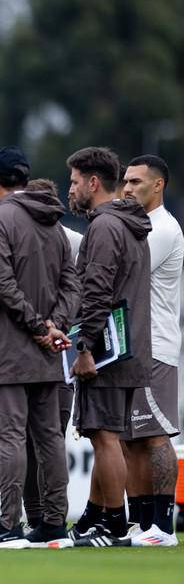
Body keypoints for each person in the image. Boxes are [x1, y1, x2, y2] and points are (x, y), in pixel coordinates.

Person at [0, 145, 79, 549]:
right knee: (50, 437)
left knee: (10, 437)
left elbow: (0, 281)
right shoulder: (54, 220)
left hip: (9, 348)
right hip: (49, 349)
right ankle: (53, 523)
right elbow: (72, 283)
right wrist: (55, 327)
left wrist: (35, 326)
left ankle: (10, 524)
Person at [66, 147, 152, 548]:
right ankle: (97, 518)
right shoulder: (132, 223)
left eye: (74, 182)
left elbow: (97, 291)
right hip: (129, 346)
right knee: (107, 437)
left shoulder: (104, 226)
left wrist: (84, 347)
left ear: (93, 183)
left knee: (105, 437)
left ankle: (115, 525)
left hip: (106, 351)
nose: (72, 189)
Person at [120, 155, 182, 546]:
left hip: (156, 347)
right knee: (130, 439)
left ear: (157, 186)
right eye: (125, 181)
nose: (127, 188)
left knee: (156, 436)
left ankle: (163, 526)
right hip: (133, 348)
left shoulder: (162, 229)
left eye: (136, 182)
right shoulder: (141, 225)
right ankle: (142, 524)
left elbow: (121, 272)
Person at [19, 178, 81, 533]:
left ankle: (45, 517)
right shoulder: (63, 237)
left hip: (50, 355)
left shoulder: (69, 239)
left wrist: (48, 326)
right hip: (45, 353)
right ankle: (42, 518)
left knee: (39, 442)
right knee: (38, 442)